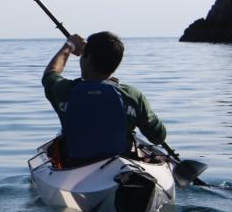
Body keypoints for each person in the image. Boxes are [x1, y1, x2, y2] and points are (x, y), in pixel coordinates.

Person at [42, 31, 166, 165]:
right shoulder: (133, 96)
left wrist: (69, 46)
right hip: (121, 166)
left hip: (75, 167)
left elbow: (50, 75)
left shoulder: (65, 91)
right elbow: (158, 137)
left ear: (87, 59)